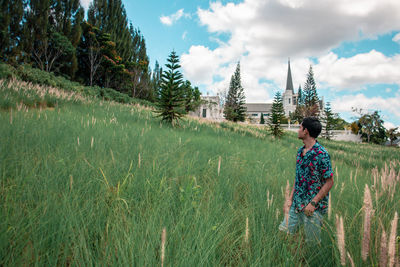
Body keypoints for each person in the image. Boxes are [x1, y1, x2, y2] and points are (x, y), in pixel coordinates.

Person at [279, 117, 334, 243]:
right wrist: (290, 199)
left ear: (306, 131)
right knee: (283, 233)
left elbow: (329, 181)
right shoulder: (300, 151)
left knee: (312, 242)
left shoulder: (322, 154)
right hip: (296, 204)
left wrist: (313, 203)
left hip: (313, 208)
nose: (298, 130)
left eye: (300, 127)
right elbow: (298, 178)